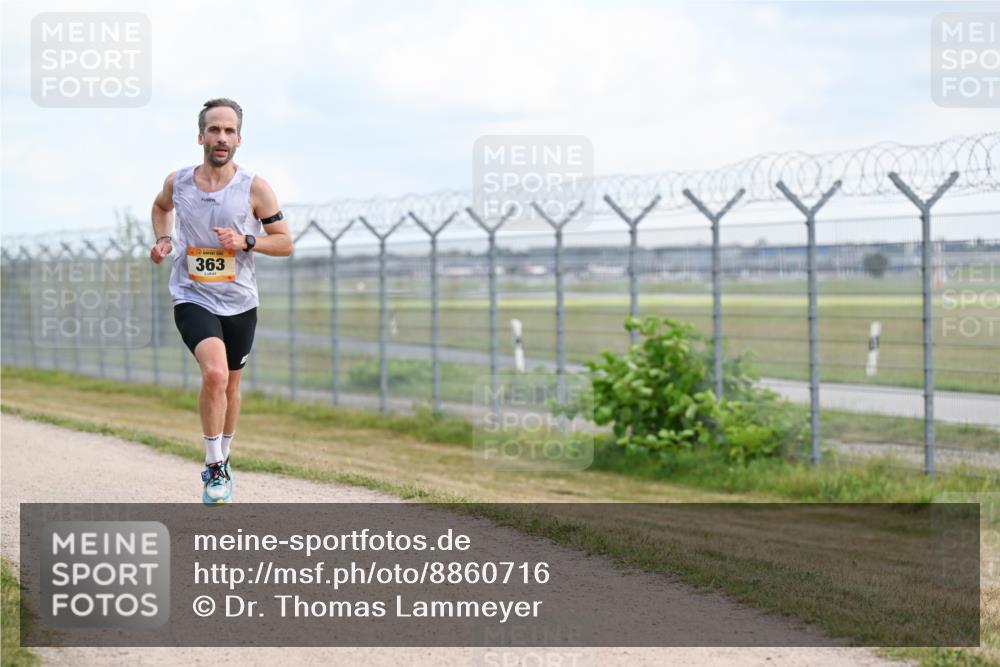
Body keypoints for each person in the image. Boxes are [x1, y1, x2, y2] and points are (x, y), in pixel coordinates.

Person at [149, 98, 293, 505]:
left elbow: (285, 243)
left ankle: (223, 460)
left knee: (230, 385)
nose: (221, 137)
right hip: (192, 295)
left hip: (240, 301)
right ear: (201, 136)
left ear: (239, 139)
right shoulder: (179, 182)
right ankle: (214, 466)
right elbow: (161, 208)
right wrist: (163, 239)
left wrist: (248, 240)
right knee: (213, 375)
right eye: (214, 129)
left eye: (229, 131)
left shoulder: (255, 188)